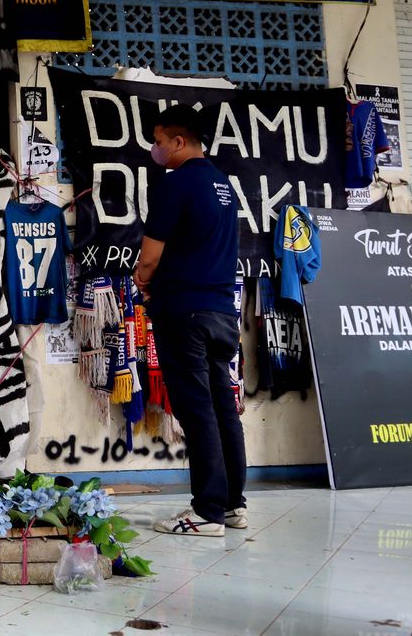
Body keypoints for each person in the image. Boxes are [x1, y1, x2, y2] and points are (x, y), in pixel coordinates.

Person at [133, 105, 245, 538]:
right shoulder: (223, 185)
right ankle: (234, 504)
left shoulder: (175, 184)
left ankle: (206, 511)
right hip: (221, 312)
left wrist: (143, 281)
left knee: (197, 411)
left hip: (185, 313)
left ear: (179, 142)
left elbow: (150, 255)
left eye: (159, 142)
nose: (155, 150)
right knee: (222, 408)